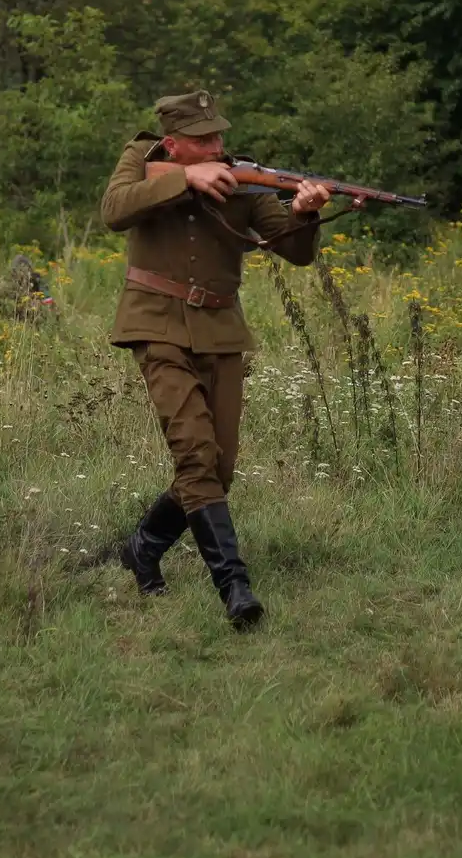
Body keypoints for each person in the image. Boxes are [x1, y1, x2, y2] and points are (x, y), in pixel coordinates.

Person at [102, 90, 332, 628]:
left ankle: (142, 547)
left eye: (219, 135)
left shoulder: (244, 177)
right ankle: (234, 586)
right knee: (195, 453)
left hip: (221, 331)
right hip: (154, 323)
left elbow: (295, 251)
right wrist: (186, 179)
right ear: (173, 143)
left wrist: (306, 213)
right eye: (203, 139)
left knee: (217, 470)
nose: (217, 145)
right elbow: (114, 210)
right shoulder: (141, 157)